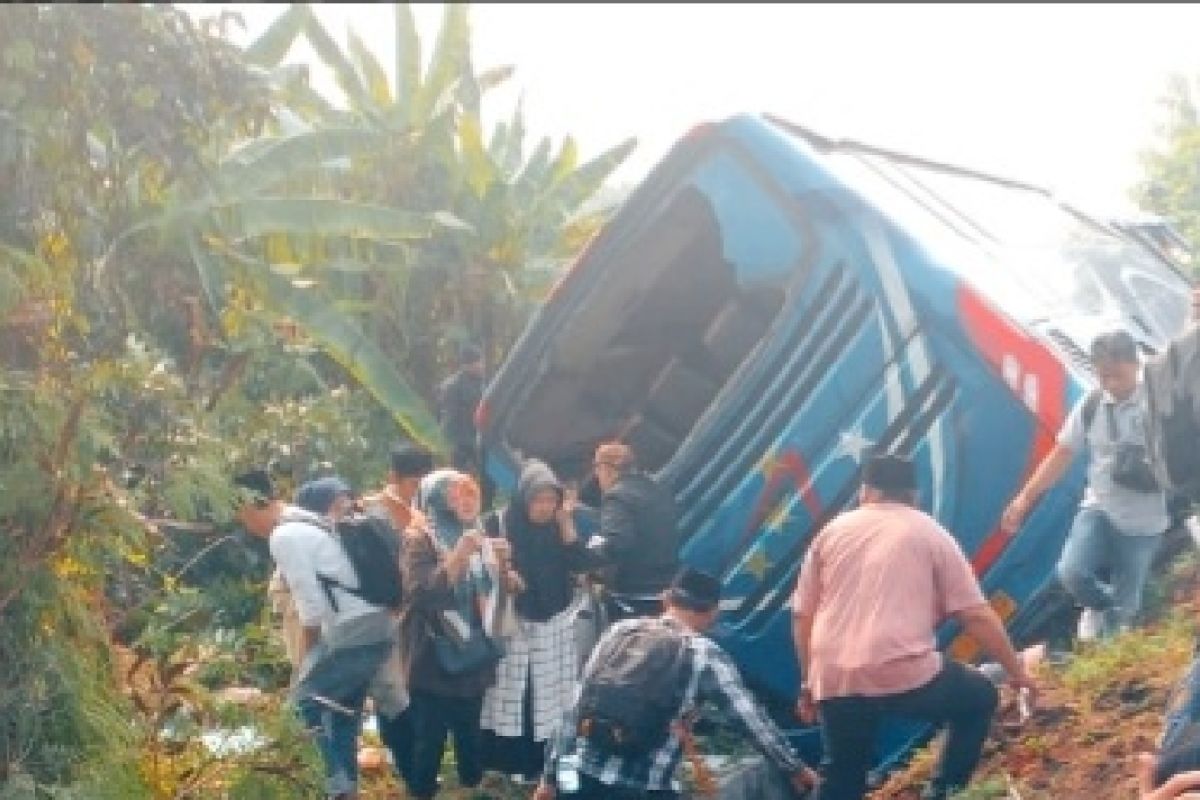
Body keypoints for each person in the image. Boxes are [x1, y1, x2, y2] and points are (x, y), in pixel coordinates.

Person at [792, 452, 1037, 800]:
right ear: (913, 496)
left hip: (834, 676)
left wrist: (809, 681)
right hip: (902, 670)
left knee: (842, 777)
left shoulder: (830, 533)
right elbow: (975, 615)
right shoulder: (929, 532)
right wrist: (1017, 673)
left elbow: (802, 616)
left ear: (866, 492)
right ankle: (942, 792)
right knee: (979, 697)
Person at [534, 567, 818, 800]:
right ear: (712, 612)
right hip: (644, 786)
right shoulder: (703, 654)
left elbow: (575, 705)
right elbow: (751, 721)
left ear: (666, 599)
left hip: (580, 778)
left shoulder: (620, 632)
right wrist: (795, 769)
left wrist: (549, 777)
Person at [1002, 330, 1170, 641]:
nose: (1111, 384)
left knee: (1125, 609)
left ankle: (1119, 639)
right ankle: (1105, 607)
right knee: (1072, 572)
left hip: (1147, 519)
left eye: (1117, 375)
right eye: (1104, 376)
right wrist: (1024, 499)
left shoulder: (1161, 397)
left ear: (1135, 364)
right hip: (1100, 507)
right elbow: (1062, 453)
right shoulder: (1091, 405)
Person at [263, 474, 396, 800]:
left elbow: (312, 607)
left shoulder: (286, 534)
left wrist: (307, 662)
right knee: (342, 712)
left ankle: (335, 787)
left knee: (301, 706)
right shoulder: (321, 528)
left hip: (352, 630)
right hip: (380, 625)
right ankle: (346, 790)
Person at [400, 470, 520, 800]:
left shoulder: (479, 533)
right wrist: (460, 555)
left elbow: (507, 592)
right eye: (456, 495)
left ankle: (472, 787)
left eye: (470, 494)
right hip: (434, 657)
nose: (466, 502)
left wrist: (505, 567)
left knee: (470, 732)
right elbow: (422, 594)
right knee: (430, 737)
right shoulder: (420, 538)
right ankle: (421, 791)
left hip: (474, 652)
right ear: (438, 500)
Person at [480, 459, 599, 782]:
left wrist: (566, 525)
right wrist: (505, 571)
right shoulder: (498, 523)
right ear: (523, 497)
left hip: (553, 623)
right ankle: (510, 764)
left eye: (551, 500)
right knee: (516, 694)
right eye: (538, 500)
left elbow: (583, 563)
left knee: (549, 695)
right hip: (516, 625)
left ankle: (542, 763)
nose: (545, 507)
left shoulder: (557, 527)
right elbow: (486, 567)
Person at [358, 443, 435, 790]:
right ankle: (409, 773)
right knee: (394, 696)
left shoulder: (430, 512)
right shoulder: (370, 514)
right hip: (388, 617)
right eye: (412, 483)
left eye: (423, 483)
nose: (418, 491)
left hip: (422, 619)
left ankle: (418, 771)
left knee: (419, 694)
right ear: (393, 478)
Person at [588, 441, 682, 623]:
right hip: (666, 586)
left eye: (597, 468)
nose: (596, 475)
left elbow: (617, 542)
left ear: (608, 468)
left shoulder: (616, 496)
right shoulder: (658, 490)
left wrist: (589, 560)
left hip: (633, 591)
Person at [438, 344, 485, 474]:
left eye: (481, 362)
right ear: (467, 365)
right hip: (461, 446)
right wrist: (447, 446)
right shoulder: (452, 386)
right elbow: (448, 420)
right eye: (478, 362)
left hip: (479, 442)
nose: (481, 366)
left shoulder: (481, 382)